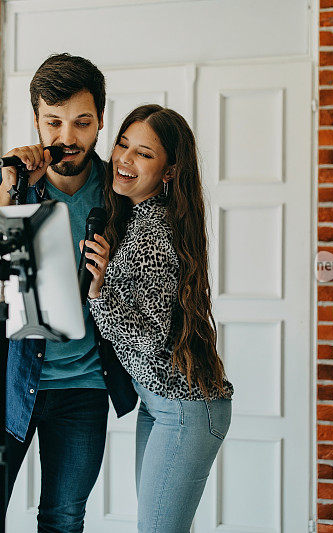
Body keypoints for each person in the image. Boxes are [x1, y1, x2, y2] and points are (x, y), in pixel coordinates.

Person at [0, 53, 136, 533]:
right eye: (53, 122)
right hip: (5, 382)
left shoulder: (120, 195)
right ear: (35, 120)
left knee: (63, 522)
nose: (67, 138)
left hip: (84, 389)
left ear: (100, 124)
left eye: (82, 122)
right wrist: (7, 198)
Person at [84, 104, 235, 532]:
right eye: (123, 144)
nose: (125, 159)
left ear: (169, 171)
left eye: (144, 154)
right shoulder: (134, 218)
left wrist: (98, 293)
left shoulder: (155, 231)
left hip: (184, 409)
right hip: (159, 403)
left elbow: (149, 337)